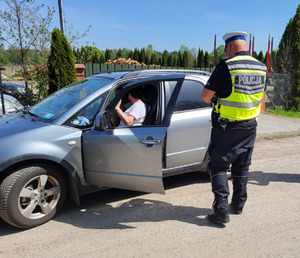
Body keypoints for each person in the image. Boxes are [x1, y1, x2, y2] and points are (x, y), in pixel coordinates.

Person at [201, 31, 267, 225]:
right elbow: (262, 101)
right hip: (250, 126)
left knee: (219, 167)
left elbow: (205, 96)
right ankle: (238, 205)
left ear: (229, 47)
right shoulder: (261, 67)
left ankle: (221, 211)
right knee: (242, 166)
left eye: (225, 49)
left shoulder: (226, 66)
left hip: (226, 127)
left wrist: (217, 98)